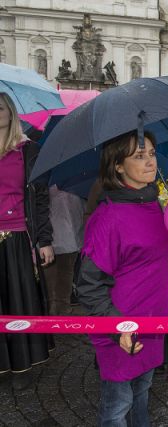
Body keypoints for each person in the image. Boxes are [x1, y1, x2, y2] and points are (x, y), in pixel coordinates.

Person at [77, 131, 168, 426]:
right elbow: (88, 285)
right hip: (122, 327)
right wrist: (117, 328)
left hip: (152, 321)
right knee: (118, 405)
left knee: (142, 393)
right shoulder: (108, 217)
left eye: (152, 154)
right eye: (139, 156)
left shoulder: (155, 205)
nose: (150, 162)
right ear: (117, 165)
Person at [0, 93, 55, 383]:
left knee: (19, 300)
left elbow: (40, 198)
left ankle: (22, 363)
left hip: (19, 236)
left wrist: (44, 239)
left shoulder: (28, 151)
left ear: (10, 113)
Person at [43, 185, 86, 315]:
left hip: (71, 232)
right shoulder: (44, 181)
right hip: (50, 234)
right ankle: (52, 309)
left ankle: (62, 308)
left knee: (66, 273)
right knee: (50, 275)